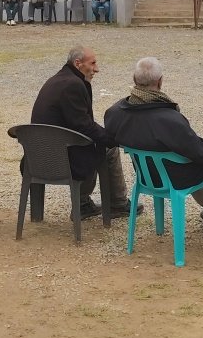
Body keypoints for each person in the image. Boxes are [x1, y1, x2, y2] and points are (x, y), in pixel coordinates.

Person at [104, 57, 203, 228]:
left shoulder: (114, 113)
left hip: (145, 174)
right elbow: (199, 151)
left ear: (134, 79)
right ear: (160, 81)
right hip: (173, 176)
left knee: (180, 160)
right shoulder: (169, 119)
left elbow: (113, 139)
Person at [30, 46, 133, 219]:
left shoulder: (58, 79)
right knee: (109, 149)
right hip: (60, 158)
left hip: (38, 156)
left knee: (97, 143)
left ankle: (85, 203)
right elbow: (84, 126)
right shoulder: (73, 85)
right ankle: (116, 203)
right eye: (92, 63)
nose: (97, 69)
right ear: (78, 63)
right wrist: (113, 139)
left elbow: (78, 123)